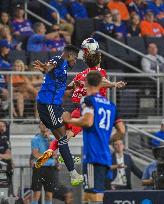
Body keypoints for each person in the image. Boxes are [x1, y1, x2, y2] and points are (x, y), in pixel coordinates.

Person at [63, 71, 125, 201]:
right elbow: (121, 131)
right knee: (96, 193)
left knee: (91, 195)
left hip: (92, 155)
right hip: (106, 156)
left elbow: (87, 121)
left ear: (86, 83)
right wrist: (106, 139)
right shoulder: (111, 105)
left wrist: (69, 120)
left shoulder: (88, 100)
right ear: (100, 84)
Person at [33, 44, 83, 186]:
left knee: (68, 127)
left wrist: (71, 87)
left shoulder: (64, 67)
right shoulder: (58, 60)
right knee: (62, 138)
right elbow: (49, 67)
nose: (75, 62)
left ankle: (47, 156)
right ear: (70, 55)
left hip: (54, 106)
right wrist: (44, 68)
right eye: (75, 59)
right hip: (48, 105)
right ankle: (73, 173)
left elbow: (58, 84)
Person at [31, 122, 56, 204]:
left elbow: (55, 154)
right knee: (36, 194)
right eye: (42, 124)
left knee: (49, 194)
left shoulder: (53, 139)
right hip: (39, 168)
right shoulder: (35, 139)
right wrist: (49, 155)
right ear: (39, 126)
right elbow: (35, 154)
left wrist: (49, 139)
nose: (45, 125)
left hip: (50, 168)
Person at [0, 120, 13, 195]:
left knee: (7, 191)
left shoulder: (6, 139)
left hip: (6, 169)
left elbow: (9, 156)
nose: (2, 128)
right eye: (0, 126)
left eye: (3, 126)